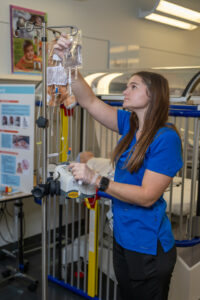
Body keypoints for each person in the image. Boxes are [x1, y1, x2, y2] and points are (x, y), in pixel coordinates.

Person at [54, 34, 183, 300]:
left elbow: (148, 197)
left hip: (148, 245)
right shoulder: (129, 124)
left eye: (133, 86)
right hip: (123, 236)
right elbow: (89, 101)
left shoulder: (166, 138)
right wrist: (69, 64)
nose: (125, 91)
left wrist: (98, 180)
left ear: (152, 95)